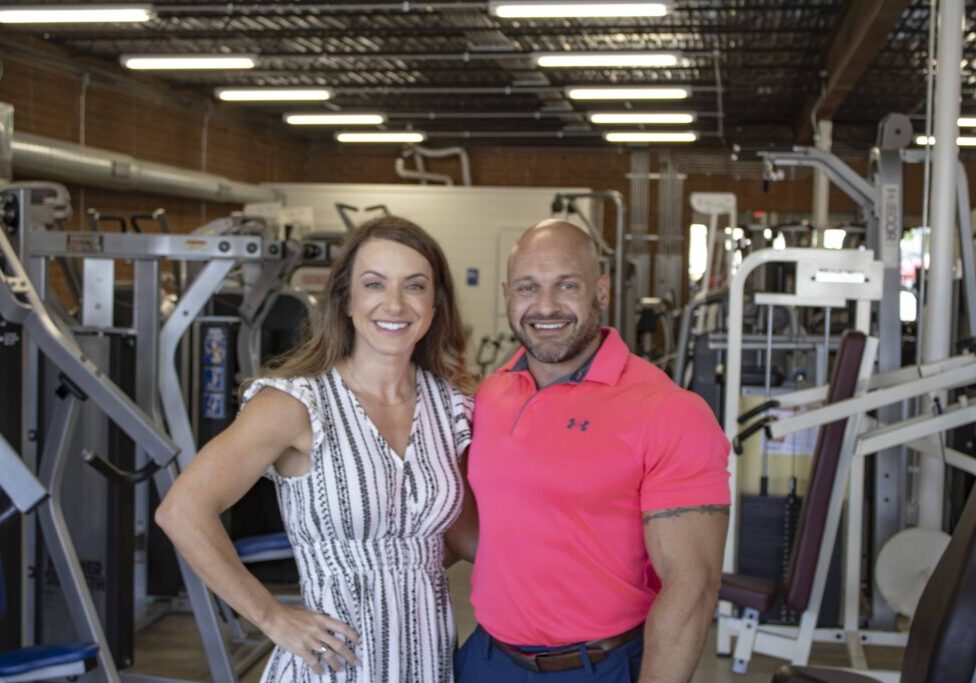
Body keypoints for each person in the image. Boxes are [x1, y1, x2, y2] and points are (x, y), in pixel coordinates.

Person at [157, 215, 476, 683]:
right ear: (346, 299)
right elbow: (182, 510)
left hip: (427, 660)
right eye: (374, 284)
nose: (394, 303)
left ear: (435, 304)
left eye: (415, 286)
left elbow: (458, 537)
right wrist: (270, 616)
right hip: (334, 664)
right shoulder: (296, 404)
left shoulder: (453, 408)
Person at [455, 219, 731, 682]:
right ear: (507, 294)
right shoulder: (492, 394)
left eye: (566, 285)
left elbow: (692, 589)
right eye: (528, 287)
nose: (545, 306)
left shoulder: (668, 411)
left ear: (600, 292)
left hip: (596, 667)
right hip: (486, 659)